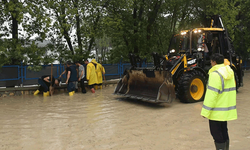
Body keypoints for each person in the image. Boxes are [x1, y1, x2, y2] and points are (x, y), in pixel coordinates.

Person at [201, 53, 237, 150]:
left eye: (211, 61)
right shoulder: (229, 72)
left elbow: (211, 95)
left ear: (214, 62)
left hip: (216, 112)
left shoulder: (215, 74)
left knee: (217, 134)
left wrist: (205, 112)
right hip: (225, 111)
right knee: (224, 132)